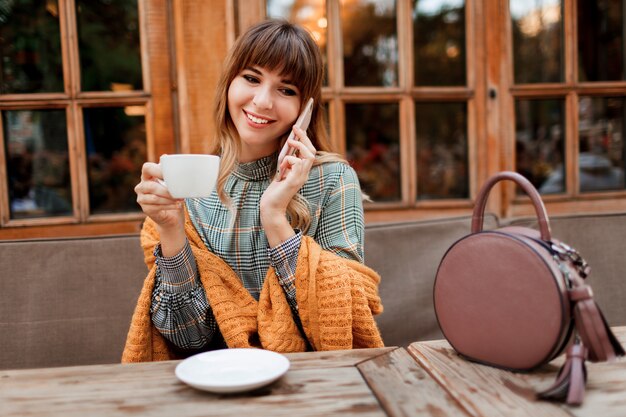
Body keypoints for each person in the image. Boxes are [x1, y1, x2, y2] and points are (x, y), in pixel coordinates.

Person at [122, 19, 384, 362]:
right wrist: (170, 229)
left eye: (286, 90)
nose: (262, 101)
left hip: (312, 381)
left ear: (306, 108)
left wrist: (275, 217)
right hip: (216, 383)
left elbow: (345, 324)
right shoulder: (191, 187)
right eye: (252, 78)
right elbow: (187, 338)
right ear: (229, 82)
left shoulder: (333, 180)